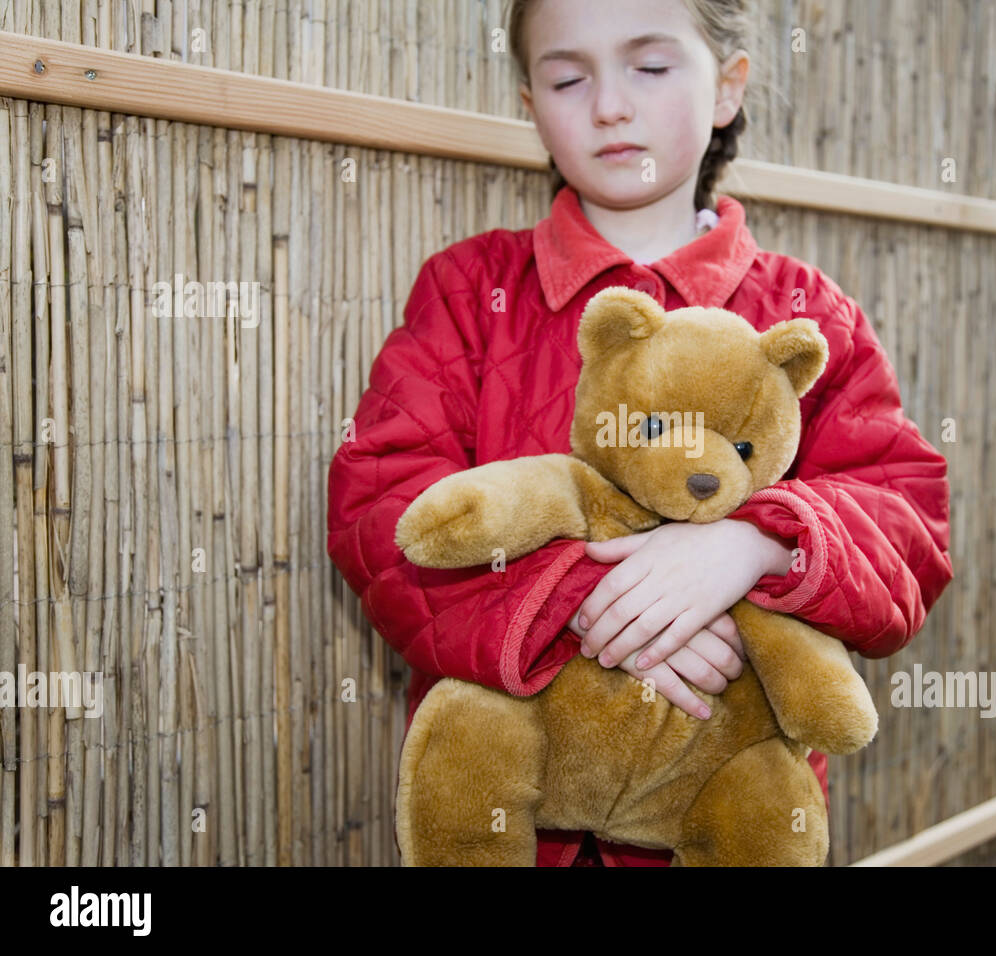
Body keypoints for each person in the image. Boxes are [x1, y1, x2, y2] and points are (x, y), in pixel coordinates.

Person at [326, 0, 954, 867]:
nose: (609, 105)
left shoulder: (807, 316)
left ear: (728, 86)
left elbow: (906, 521)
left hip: (728, 817)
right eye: (567, 76)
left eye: (649, 67)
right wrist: (582, 602)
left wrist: (754, 545)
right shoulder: (470, 291)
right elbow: (382, 506)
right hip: (513, 817)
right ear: (529, 101)